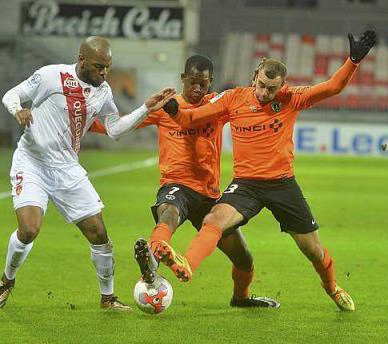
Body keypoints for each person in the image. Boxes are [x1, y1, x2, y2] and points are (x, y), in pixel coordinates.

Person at [153, 30, 376, 312]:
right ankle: (186, 263)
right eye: (261, 85)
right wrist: (174, 110)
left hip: (283, 185)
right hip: (246, 184)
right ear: (255, 76)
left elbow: (332, 87)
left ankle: (332, 286)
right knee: (214, 219)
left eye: (272, 89)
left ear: (282, 85)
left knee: (313, 250)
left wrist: (353, 61)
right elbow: (190, 117)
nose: (264, 93)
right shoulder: (233, 98)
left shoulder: (290, 99)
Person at [0, 36, 176, 310]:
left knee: (99, 234)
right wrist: (19, 110)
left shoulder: (103, 92)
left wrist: (145, 109)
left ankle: (108, 298)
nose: (104, 72)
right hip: (32, 163)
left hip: (67, 169)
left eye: (108, 67)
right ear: (82, 59)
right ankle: (7, 281)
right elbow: (11, 95)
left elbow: (114, 130)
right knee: (29, 229)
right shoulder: (51, 76)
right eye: (99, 66)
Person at [91, 55, 279, 308]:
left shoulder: (217, 105)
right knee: (169, 212)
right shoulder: (166, 107)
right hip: (176, 185)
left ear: (211, 83)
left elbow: (253, 98)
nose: (197, 89)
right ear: (183, 79)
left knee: (243, 259)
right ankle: (152, 257)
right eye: (192, 82)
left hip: (210, 196)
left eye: (203, 84)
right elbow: (119, 125)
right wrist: (80, 123)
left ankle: (241, 298)